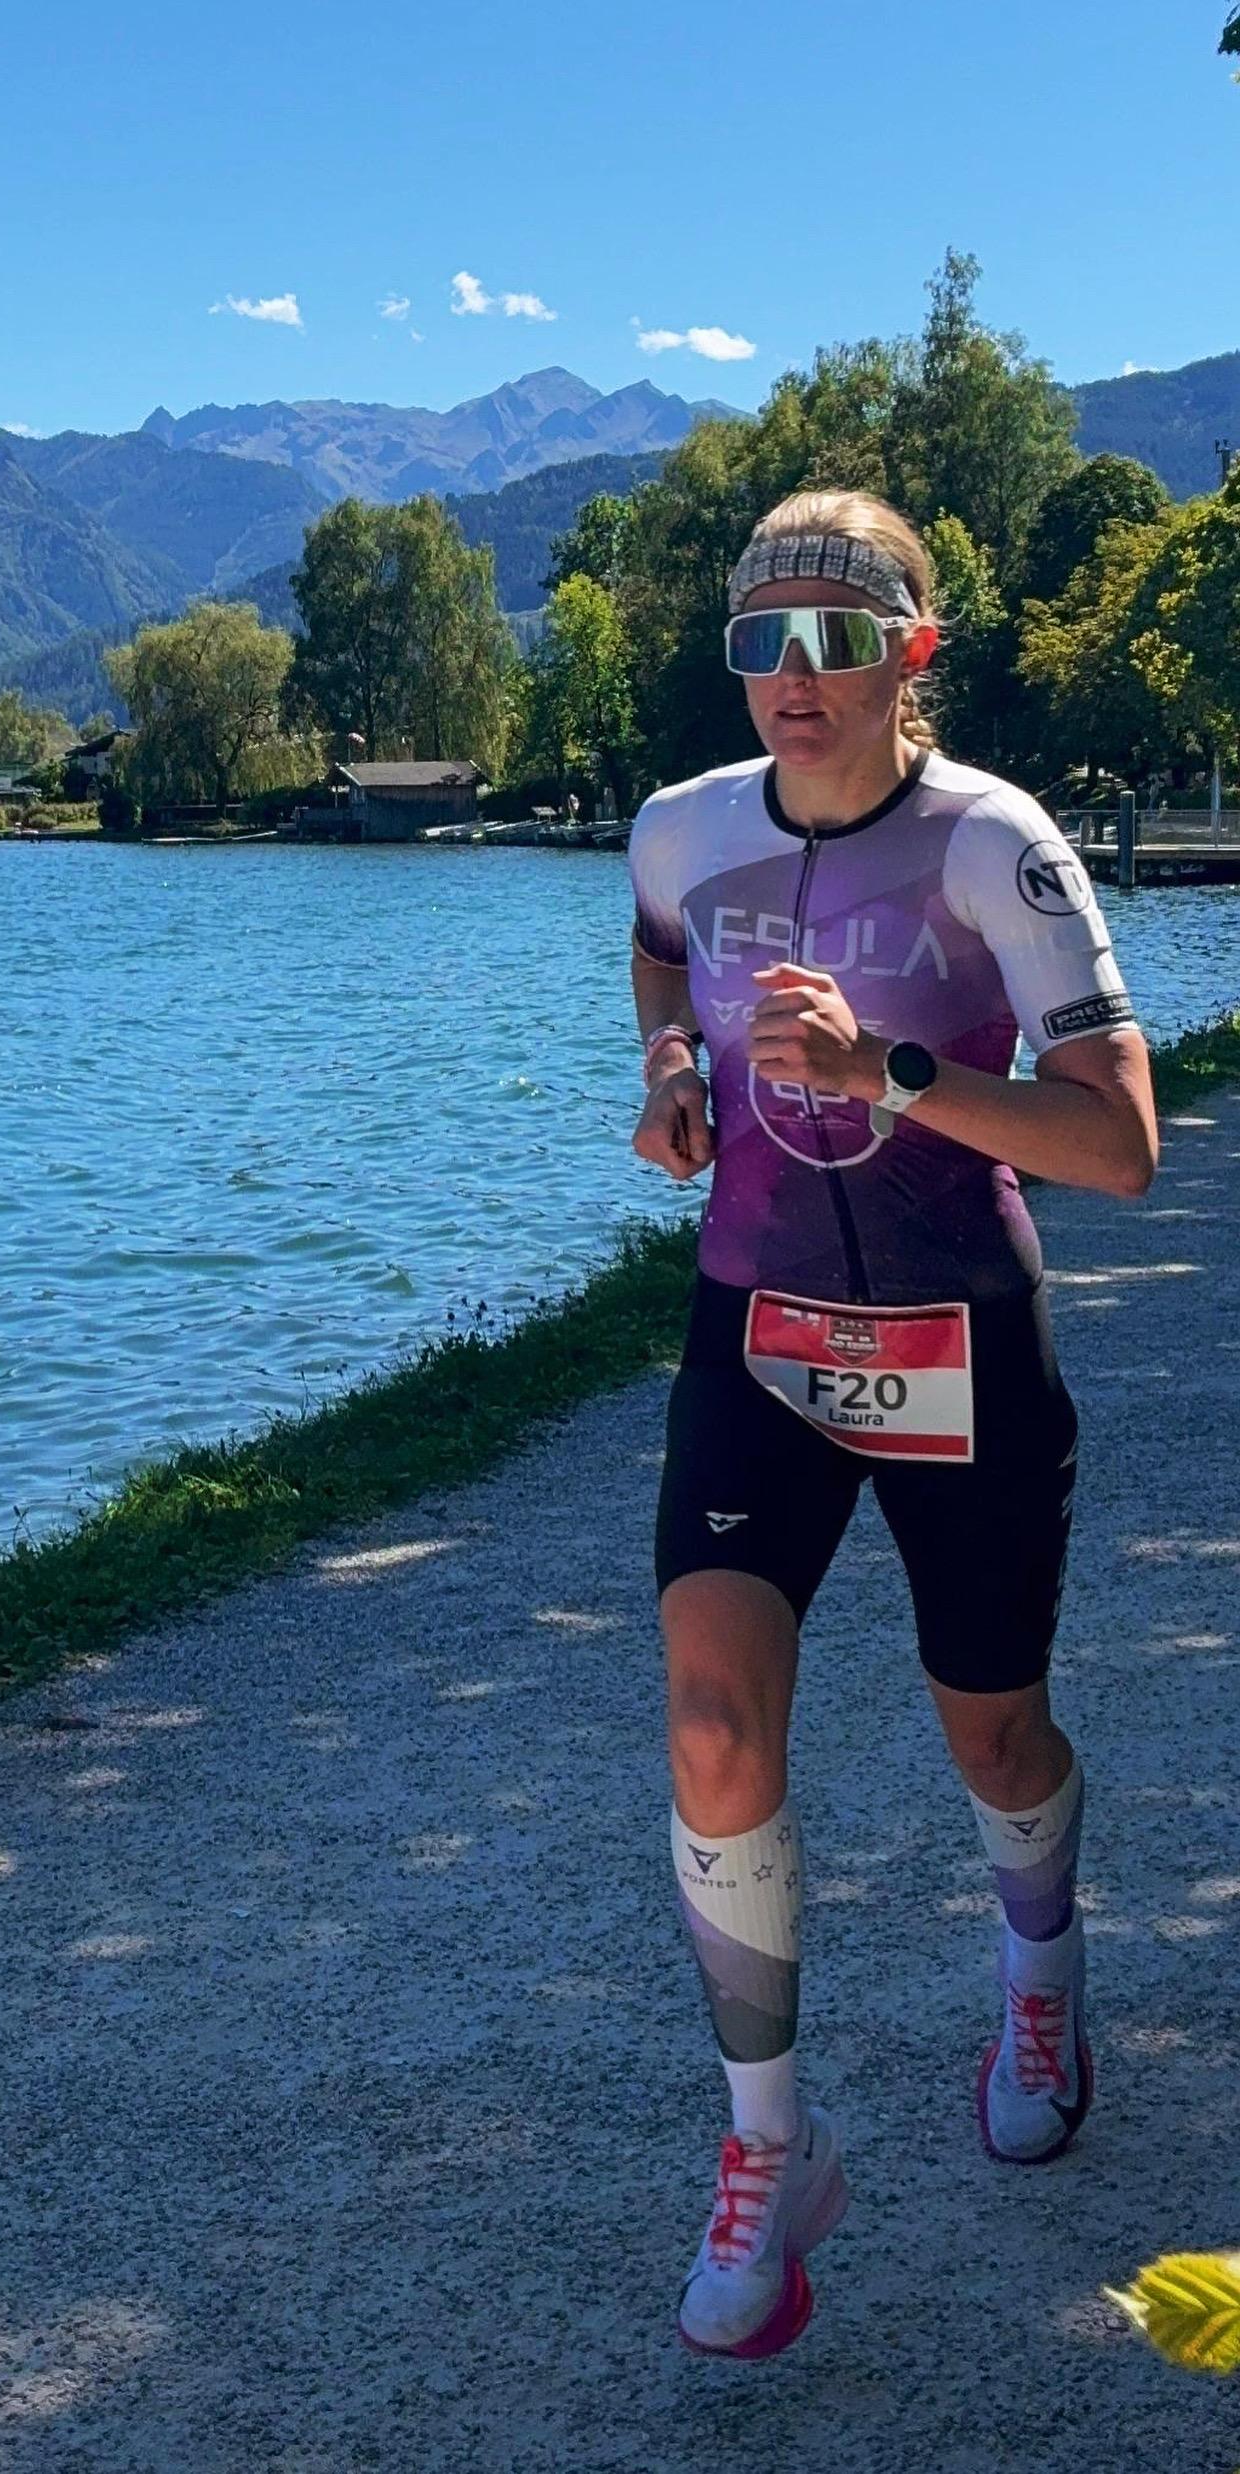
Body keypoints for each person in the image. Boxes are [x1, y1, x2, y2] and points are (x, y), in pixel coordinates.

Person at [628, 490, 1158, 2362]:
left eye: (837, 637)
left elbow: (1121, 1141)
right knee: (712, 1723)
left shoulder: (993, 847)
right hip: (757, 1333)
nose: (795, 674)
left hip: (959, 1343)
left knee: (994, 1735)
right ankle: (772, 2150)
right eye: (759, 640)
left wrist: (896, 1071)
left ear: (912, 652)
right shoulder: (682, 826)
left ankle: (1041, 1964)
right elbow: (656, 940)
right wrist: (672, 1059)